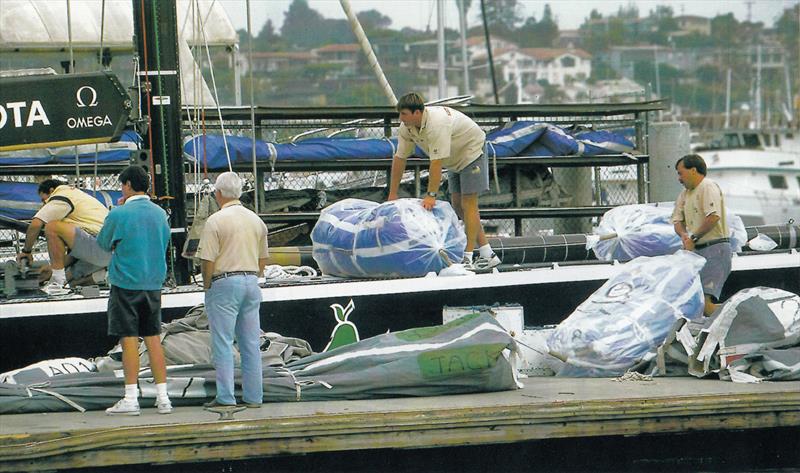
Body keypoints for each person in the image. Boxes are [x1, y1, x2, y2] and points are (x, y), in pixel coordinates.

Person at [387, 92, 500, 269]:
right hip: (454, 159)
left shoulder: (437, 123)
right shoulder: (406, 128)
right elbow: (400, 158)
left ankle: (468, 257)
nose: (400, 119)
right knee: (457, 204)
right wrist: (392, 194)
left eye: (404, 114)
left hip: (471, 152)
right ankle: (487, 253)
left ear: (417, 113)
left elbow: (436, 163)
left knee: (468, 203)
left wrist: (431, 195)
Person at [96, 166, 172, 415]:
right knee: (153, 339)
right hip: (153, 283)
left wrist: (116, 212)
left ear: (127, 185)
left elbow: (103, 244)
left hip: (126, 283)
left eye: (122, 185)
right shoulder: (161, 214)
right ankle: (163, 398)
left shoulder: (119, 213)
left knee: (128, 339)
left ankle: (130, 398)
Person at [198, 172, 268, 408]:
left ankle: (226, 397)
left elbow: (207, 260)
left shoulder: (215, 221)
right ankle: (254, 397)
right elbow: (262, 259)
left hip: (225, 282)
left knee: (223, 342)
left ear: (218, 194)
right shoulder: (256, 220)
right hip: (251, 282)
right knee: (250, 344)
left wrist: (207, 286)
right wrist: (253, 276)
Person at [16, 179, 111, 294]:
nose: (43, 205)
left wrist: (26, 251)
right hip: (108, 251)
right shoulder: (81, 201)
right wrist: (52, 268)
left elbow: (36, 224)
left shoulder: (62, 193)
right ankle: (102, 275)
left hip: (100, 244)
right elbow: (81, 249)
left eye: (44, 200)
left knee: (52, 227)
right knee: (71, 282)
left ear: (51, 191)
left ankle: (57, 282)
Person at [672, 153, 731, 316]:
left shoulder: (707, 186)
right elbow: (677, 220)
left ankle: (745, 320)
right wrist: (684, 235)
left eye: (680, 173)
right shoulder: (684, 194)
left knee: (705, 304)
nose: (679, 178)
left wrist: (693, 237)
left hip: (715, 249)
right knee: (695, 302)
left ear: (693, 170)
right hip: (696, 252)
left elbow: (713, 217)